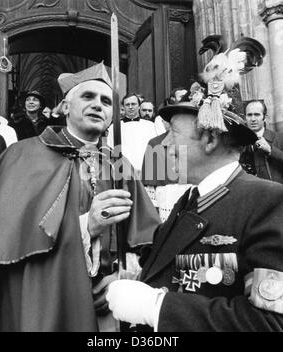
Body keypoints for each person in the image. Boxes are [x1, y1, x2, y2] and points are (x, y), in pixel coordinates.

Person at [0, 62, 160, 332]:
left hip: (109, 301)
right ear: (65, 107)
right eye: (87, 97)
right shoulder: (22, 156)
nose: (98, 105)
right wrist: (87, 225)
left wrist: (124, 272)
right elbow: (5, 238)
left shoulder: (118, 163)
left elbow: (145, 237)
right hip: (47, 293)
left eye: (106, 101)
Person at [106, 85, 283, 331]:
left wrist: (157, 308)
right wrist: (134, 272)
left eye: (174, 134)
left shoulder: (268, 201)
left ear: (210, 139)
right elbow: (170, 263)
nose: (164, 144)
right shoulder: (190, 198)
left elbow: (269, 323)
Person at [107, 93, 158, 173]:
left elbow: (155, 149)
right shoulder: (114, 127)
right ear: (123, 107)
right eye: (127, 104)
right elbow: (111, 151)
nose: (130, 107)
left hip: (146, 171)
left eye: (133, 104)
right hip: (123, 172)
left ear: (139, 106)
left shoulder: (150, 126)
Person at [240, 99, 283, 183]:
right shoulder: (239, 143)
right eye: (249, 115)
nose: (253, 119)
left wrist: (271, 150)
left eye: (257, 114)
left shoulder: (280, 138)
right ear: (245, 118)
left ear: (265, 117)